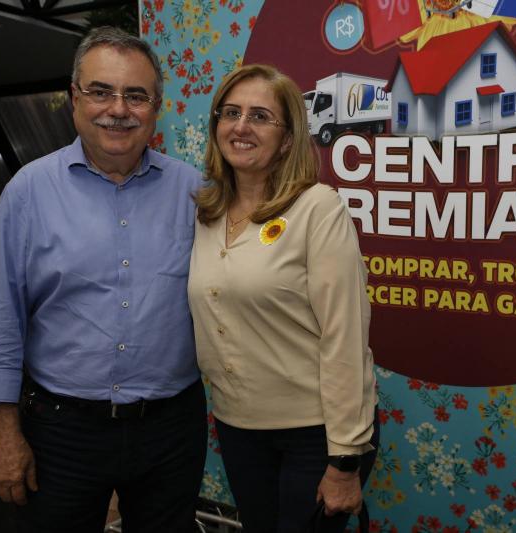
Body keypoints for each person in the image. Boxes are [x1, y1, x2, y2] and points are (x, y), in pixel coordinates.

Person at [0, 26, 207, 533]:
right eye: (101, 91)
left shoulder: (195, 193)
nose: (118, 109)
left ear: (156, 108)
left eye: (135, 95)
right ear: (75, 99)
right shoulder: (28, 192)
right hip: (61, 432)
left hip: (171, 430)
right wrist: (2, 433)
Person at [188, 63, 379, 532]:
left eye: (260, 116)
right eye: (231, 113)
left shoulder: (318, 208)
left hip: (315, 435)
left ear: (288, 139)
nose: (241, 126)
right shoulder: (206, 212)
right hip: (238, 427)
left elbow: (345, 338)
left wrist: (345, 460)